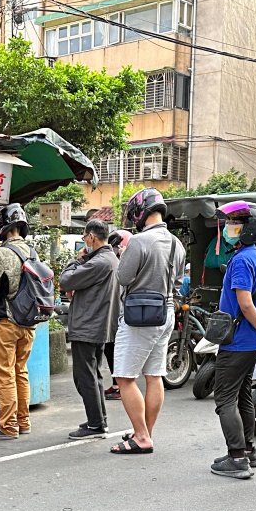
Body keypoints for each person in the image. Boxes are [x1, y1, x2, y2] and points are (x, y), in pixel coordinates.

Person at [109, 188, 185, 454]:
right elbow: (177, 284)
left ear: (140, 214)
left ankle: (141, 437)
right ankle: (146, 432)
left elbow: (123, 278)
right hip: (166, 313)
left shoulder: (139, 242)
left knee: (124, 376)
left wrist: (121, 255)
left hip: (140, 316)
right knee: (154, 376)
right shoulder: (177, 244)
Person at [209, 201, 256, 480]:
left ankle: (236, 458)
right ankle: (248, 450)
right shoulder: (254, 256)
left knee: (224, 399)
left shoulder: (241, 260)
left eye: (235, 223)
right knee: (243, 394)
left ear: (249, 229)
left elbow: (245, 303)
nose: (228, 228)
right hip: (250, 343)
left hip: (238, 341)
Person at [0, 203, 36, 440]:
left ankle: (8, 426)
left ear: (3, 227)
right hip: (29, 323)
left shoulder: (2, 254)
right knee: (20, 371)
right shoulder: (32, 252)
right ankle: (23, 421)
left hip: (5, 323)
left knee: (3, 374)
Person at [59, 219, 120, 439]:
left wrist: (77, 260)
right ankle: (99, 420)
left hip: (88, 324)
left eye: (84, 237)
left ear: (92, 237)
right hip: (99, 323)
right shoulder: (110, 258)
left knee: (85, 376)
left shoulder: (97, 262)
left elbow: (66, 281)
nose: (84, 241)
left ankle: (95, 424)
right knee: (94, 375)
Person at [103, 229, 132, 401]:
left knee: (116, 350)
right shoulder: (114, 262)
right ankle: (116, 384)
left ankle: (121, 386)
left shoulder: (128, 265)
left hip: (123, 314)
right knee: (110, 348)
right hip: (114, 311)